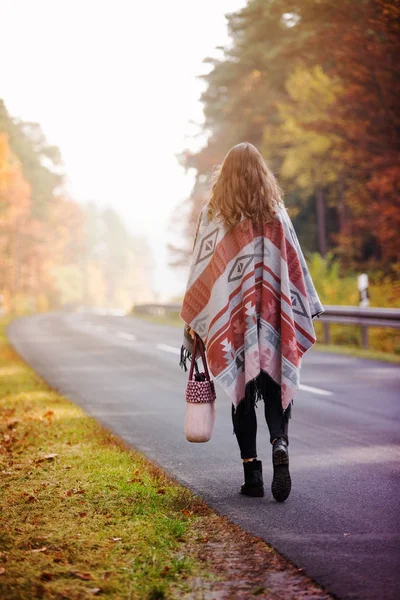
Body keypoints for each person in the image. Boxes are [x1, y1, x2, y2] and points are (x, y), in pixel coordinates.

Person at [180, 142, 323, 502]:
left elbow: (201, 269)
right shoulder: (276, 212)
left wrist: (197, 325)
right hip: (274, 314)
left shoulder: (215, 214)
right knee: (275, 385)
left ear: (224, 176)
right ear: (263, 174)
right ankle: (280, 443)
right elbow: (292, 267)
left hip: (235, 321)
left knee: (242, 392)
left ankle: (253, 475)